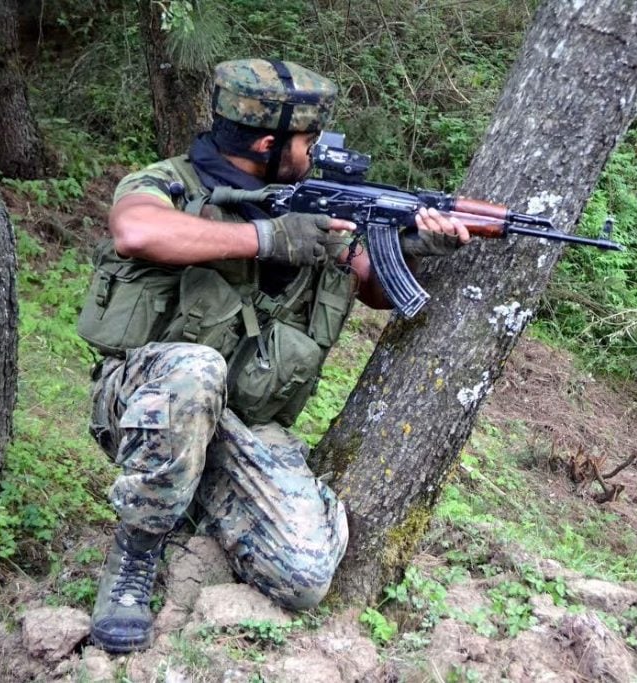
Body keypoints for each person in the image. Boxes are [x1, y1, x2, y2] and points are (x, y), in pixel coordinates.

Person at [77, 58, 469, 654]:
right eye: (309, 140)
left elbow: (374, 286)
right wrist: (268, 237)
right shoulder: (170, 183)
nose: (317, 151)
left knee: (306, 575)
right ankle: (134, 555)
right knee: (194, 368)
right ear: (268, 142)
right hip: (146, 402)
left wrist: (415, 244)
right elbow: (136, 231)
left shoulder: (317, 202)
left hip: (247, 423)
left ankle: (193, 496)